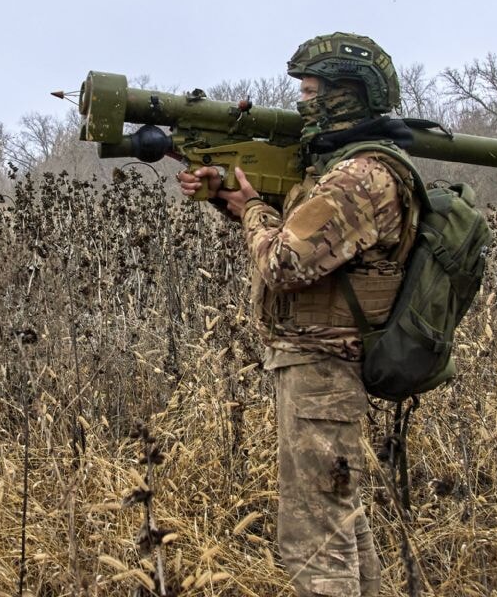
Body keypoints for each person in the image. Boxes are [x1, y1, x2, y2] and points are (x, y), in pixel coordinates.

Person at [177, 32, 417, 597]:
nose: (302, 103)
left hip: (324, 371)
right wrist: (227, 199)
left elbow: (285, 261)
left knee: (315, 545)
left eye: (312, 91)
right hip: (316, 369)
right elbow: (303, 239)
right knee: (342, 526)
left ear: (346, 94)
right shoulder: (340, 166)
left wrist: (251, 209)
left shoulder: (360, 176)